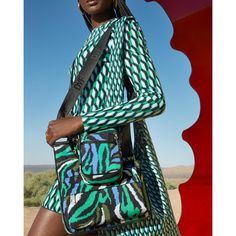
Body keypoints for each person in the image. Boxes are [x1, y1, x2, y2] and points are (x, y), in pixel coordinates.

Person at [27, 0, 168, 235]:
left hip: (105, 161)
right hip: (80, 162)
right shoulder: (90, 39)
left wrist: (81, 121)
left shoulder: (125, 28)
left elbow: (153, 99)